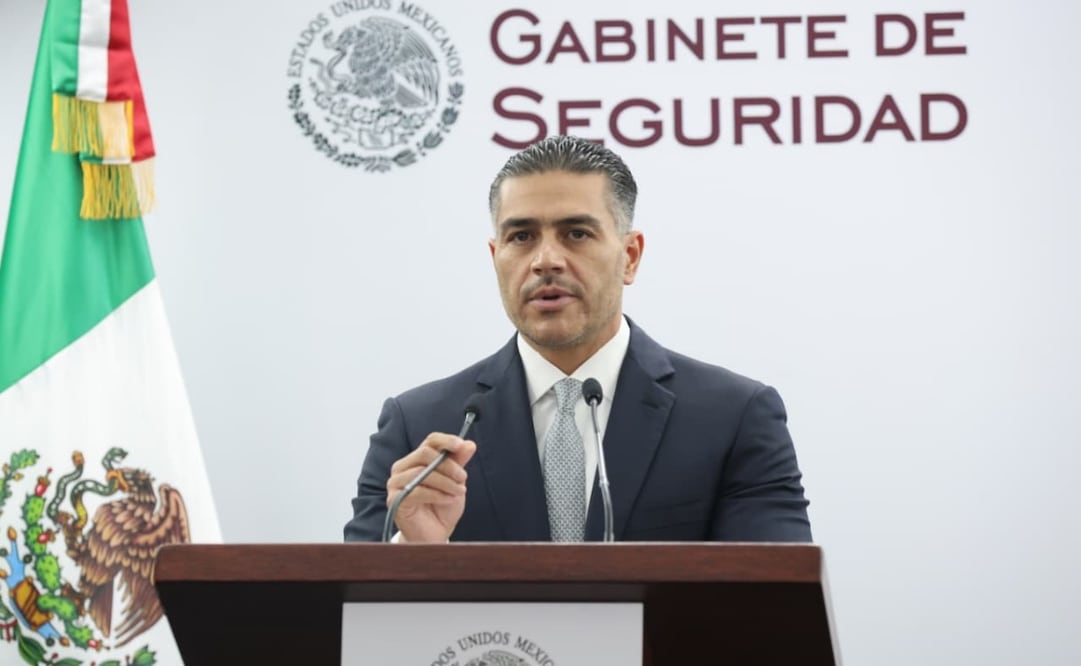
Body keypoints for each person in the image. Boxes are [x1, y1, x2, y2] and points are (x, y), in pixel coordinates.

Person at [344, 135, 811, 543]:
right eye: (522, 236)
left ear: (629, 256)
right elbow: (357, 621)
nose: (546, 260)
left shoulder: (733, 417)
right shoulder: (419, 428)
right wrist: (417, 553)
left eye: (576, 233)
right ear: (496, 257)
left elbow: (775, 608)